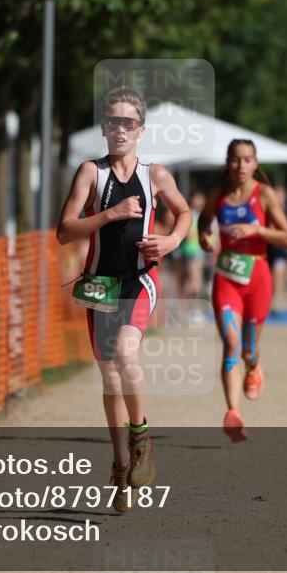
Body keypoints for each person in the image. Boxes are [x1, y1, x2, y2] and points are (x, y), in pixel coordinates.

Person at [56, 87, 191, 512]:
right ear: (103, 128)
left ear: (140, 130)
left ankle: (141, 439)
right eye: (112, 121)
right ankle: (119, 463)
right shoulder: (90, 173)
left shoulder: (156, 176)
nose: (119, 129)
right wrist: (110, 214)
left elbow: (184, 213)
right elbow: (64, 231)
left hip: (138, 280)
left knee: (126, 357)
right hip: (99, 284)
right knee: (110, 377)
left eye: (127, 123)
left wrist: (171, 240)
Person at [198, 139, 287, 442]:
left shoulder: (264, 195)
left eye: (247, 160)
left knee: (248, 348)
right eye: (236, 160)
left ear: (255, 163)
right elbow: (203, 220)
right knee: (230, 343)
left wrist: (258, 230)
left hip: (258, 277)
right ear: (228, 162)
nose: (241, 166)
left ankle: (253, 365)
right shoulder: (218, 195)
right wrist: (203, 235)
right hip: (226, 278)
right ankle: (233, 413)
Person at [267, 184, 287, 312]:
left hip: (282, 249)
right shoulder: (266, 210)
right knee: (267, 277)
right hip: (267, 248)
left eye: (280, 195)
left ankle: (276, 302)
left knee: (278, 271)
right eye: (276, 195)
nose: (278, 198)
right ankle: (268, 299)